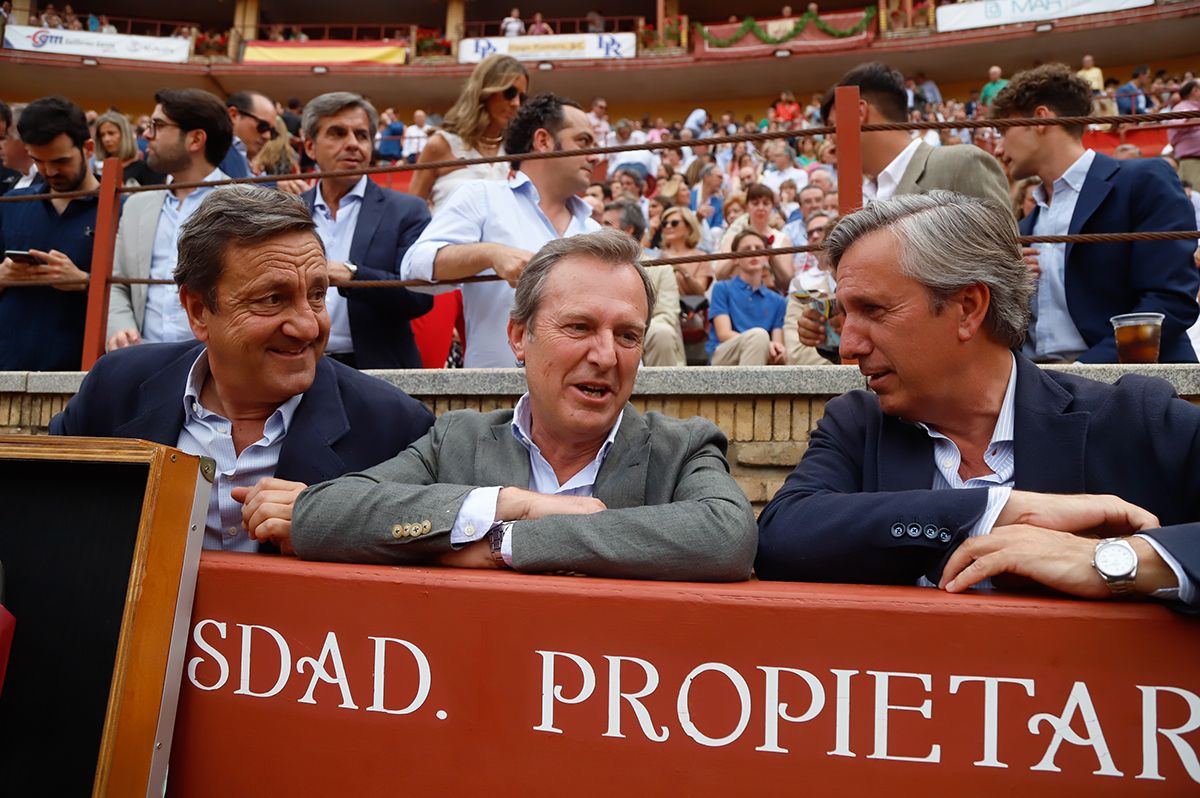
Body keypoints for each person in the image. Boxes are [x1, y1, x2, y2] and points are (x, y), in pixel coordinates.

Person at [756, 192, 1197, 611]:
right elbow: (780, 538)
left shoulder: (1134, 419)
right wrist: (991, 509)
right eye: (843, 314)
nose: (848, 345)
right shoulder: (857, 424)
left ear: (967, 308)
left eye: (873, 310)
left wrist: (1120, 561)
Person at [292, 230, 757, 580]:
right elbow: (321, 515)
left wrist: (505, 541)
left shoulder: (684, 447)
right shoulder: (456, 439)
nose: (606, 356)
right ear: (519, 336)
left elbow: (729, 538)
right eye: (578, 327)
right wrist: (512, 505)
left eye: (627, 335)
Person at [52, 186, 434, 553]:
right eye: (272, 299)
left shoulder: (396, 429)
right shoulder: (114, 390)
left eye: (317, 295)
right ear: (199, 311)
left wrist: (330, 522)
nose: (308, 326)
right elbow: (47, 521)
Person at [993, 63, 1199, 362]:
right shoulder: (1027, 226)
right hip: (1038, 387)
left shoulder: (1142, 181)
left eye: (1003, 130)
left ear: (1038, 119)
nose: (998, 148)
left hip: (1127, 387)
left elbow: (1169, 302)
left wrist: (1083, 374)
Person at [401, 93, 601, 367]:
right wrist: (491, 254)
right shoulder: (482, 197)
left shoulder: (594, 230)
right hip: (494, 399)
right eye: (583, 141)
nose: (597, 156)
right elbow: (414, 265)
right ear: (543, 141)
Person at [299, 92, 434, 369]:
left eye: (361, 136)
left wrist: (352, 275)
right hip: (298, 367)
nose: (352, 144)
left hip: (378, 372)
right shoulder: (288, 212)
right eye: (338, 133)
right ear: (310, 147)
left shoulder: (406, 211)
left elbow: (420, 298)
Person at [106, 89, 234, 352]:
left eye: (158, 125)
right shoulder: (137, 206)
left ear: (196, 139)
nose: (146, 134)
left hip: (218, 366)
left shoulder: (245, 204)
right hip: (144, 361)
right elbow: (117, 283)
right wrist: (120, 328)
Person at [820, 62, 1009, 208]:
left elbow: (1001, 256)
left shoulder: (962, 165)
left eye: (832, 127)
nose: (831, 140)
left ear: (859, 113)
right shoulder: (860, 196)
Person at [0, 96, 98, 371]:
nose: (50, 171)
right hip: (8, 367)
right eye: (38, 161)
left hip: (79, 373)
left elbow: (132, 298)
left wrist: (85, 282)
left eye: (61, 161)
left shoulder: (121, 210)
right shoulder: (11, 202)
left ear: (88, 148)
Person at [410, 55, 528, 209]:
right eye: (509, 92)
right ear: (485, 91)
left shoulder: (518, 151)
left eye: (522, 97)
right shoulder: (440, 145)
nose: (516, 103)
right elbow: (411, 214)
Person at [599, 200, 684, 367]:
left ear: (628, 230)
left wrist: (630, 330)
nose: (599, 229)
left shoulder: (662, 268)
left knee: (662, 332)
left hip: (650, 333)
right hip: (606, 331)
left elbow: (668, 314)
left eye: (606, 224)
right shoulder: (595, 267)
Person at [708, 229, 788, 366]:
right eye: (747, 249)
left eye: (758, 248)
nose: (753, 252)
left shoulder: (778, 301)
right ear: (735, 259)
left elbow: (777, 341)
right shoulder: (722, 288)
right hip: (724, 355)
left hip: (759, 353)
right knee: (759, 336)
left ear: (766, 257)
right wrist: (763, 342)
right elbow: (723, 334)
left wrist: (779, 351)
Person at [716, 183, 794, 291]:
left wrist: (771, 255)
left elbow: (787, 283)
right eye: (755, 203)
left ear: (772, 207)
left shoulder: (782, 238)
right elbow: (720, 275)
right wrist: (738, 254)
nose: (761, 208)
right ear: (747, 207)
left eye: (766, 203)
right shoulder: (732, 237)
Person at [93, 111, 164, 186]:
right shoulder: (98, 170)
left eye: (111, 133)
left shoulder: (145, 169)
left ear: (124, 135)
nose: (106, 139)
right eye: (102, 135)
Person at [659, 205, 712, 296]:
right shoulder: (656, 255)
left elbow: (700, 292)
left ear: (689, 227)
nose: (668, 226)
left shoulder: (701, 257)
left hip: (686, 309)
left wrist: (681, 270)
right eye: (664, 223)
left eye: (674, 223)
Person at [1168, 80, 1200, 189]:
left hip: (1194, 159)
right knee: (1195, 194)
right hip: (1191, 160)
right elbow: (1176, 124)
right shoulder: (1181, 107)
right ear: (1195, 91)